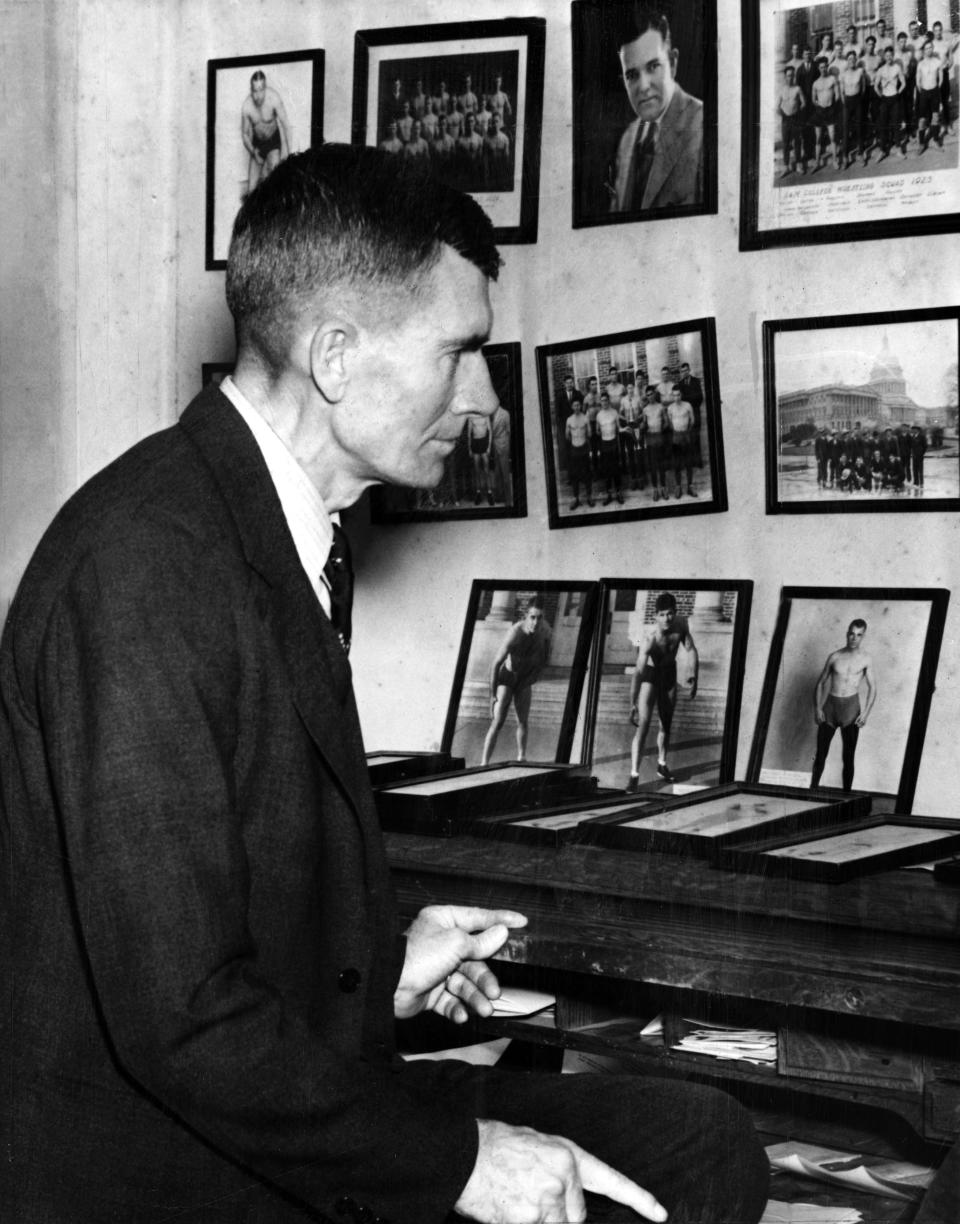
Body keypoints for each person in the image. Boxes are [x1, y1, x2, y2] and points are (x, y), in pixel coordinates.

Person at [0, 143, 769, 1224]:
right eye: (461, 352)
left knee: (695, 1143)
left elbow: (217, 917)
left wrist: (384, 964)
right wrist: (461, 1164)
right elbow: (178, 1021)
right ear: (337, 357)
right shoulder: (142, 569)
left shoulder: (277, 531)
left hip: (238, 1096)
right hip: (160, 1169)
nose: (489, 396)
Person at [609, 10, 704, 213]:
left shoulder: (703, 126)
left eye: (653, 67)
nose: (643, 86)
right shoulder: (627, 140)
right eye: (632, 75)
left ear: (673, 62)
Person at [626, 593, 698, 792]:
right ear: (656, 616)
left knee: (666, 724)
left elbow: (691, 650)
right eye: (662, 615)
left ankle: (662, 764)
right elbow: (639, 671)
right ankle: (634, 774)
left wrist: (695, 678)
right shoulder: (650, 638)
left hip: (668, 674)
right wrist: (632, 702)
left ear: (675, 613)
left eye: (670, 614)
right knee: (644, 725)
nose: (666, 619)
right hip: (651, 675)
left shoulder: (681, 626)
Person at [481, 595, 552, 765]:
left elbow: (545, 657)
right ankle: (484, 763)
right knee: (497, 722)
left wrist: (534, 676)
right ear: (526, 616)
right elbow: (496, 663)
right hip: (507, 677)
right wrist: (492, 695)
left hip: (525, 678)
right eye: (532, 617)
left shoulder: (545, 631)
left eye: (540, 618)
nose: (536, 622)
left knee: (523, 721)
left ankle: (522, 757)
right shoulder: (515, 632)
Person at [810, 618, 877, 791]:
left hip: (851, 709)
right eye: (852, 634)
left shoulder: (866, 659)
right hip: (831, 707)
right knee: (821, 754)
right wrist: (817, 708)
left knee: (848, 756)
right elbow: (820, 683)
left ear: (863, 637)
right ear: (847, 633)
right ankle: (812, 791)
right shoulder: (835, 656)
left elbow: (873, 688)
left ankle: (846, 795)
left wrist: (866, 714)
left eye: (859, 635)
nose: (854, 638)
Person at [241, 70, 290, 196]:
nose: (258, 95)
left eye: (261, 89)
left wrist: (287, 152)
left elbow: (286, 126)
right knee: (251, 190)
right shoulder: (247, 106)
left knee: (273, 183)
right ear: (251, 90)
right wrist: (253, 151)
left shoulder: (274, 99)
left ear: (265, 87)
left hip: (273, 142)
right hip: (257, 145)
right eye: (255, 91)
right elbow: (245, 134)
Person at [874, 45, 907, 159]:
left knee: (896, 124)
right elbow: (875, 86)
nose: (888, 57)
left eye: (890, 55)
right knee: (883, 125)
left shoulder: (897, 67)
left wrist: (898, 92)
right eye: (886, 55)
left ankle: (898, 149)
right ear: (884, 57)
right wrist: (881, 95)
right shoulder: (881, 69)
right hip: (885, 99)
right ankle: (883, 150)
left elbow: (903, 83)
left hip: (895, 98)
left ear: (893, 56)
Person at [811, 56, 842, 168]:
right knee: (818, 137)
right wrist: (818, 104)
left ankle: (835, 160)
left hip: (830, 110)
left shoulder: (832, 79)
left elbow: (837, 95)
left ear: (827, 67)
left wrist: (832, 104)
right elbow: (813, 99)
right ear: (818, 68)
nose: (823, 69)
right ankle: (817, 161)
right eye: (821, 67)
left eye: (825, 67)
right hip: (820, 111)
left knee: (832, 136)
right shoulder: (815, 83)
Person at [667, 383, 697, 498]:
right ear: (672, 396)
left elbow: (693, 421)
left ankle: (690, 486)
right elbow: (670, 424)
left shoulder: (687, 405)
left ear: (681, 394)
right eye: (674, 395)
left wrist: (687, 432)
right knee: (677, 464)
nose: (677, 397)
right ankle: (678, 487)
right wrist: (677, 432)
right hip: (676, 438)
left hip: (686, 436)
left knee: (689, 463)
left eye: (678, 395)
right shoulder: (670, 408)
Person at [596, 390, 625, 505]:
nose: (604, 402)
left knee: (616, 470)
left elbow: (619, 428)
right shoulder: (598, 415)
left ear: (609, 401)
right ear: (600, 402)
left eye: (606, 400)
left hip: (614, 443)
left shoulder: (614, 412)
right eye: (602, 401)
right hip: (604, 444)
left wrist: (625, 429)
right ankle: (608, 495)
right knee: (607, 471)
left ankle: (618, 493)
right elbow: (598, 431)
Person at [565, 398, 595, 510]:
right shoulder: (569, 420)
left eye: (578, 405)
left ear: (581, 406)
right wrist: (575, 440)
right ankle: (576, 498)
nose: (576, 407)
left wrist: (583, 437)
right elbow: (567, 436)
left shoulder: (585, 418)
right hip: (574, 450)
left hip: (584, 449)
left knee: (587, 474)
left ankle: (589, 497)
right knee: (574, 476)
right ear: (572, 407)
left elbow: (590, 434)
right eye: (574, 405)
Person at [642, 383, 670, 500]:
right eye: (648, 395)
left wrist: (660, 430)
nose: (650, 396)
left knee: (661, 465)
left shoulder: (661, 407)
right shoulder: (645, 409)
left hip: (660, 437)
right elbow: (644, 424)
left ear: (654, 394)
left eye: (651, 394)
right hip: (650, 439)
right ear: (646, 397)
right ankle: (655, 489)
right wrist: (643, 427)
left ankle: (663, 488)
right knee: (653, 466)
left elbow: (667, 422)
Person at [839, 50, 867, 166]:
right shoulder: (843, 74)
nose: (851, 61)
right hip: (847, 102)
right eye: (849, 59)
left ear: (856, 60)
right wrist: (845, 103)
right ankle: (845, 156)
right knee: (846, 129)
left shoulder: (860, 71)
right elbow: (841, 92)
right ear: (847, 61)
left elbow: (864, 87)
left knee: (859, 127)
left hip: (857, 101)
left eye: (853, 59)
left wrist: (859, 99)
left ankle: (860, 154)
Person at [916, 40, 944, 151]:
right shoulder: (920, 64)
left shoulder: (937, 62)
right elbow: (917, 81)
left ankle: (936, 140)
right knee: (922, 120)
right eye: (926, 48)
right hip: (924, 92)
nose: (928, 50)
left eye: (930, 47)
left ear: (933, 48)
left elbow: (941, 78)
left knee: (935, 118)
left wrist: (937, 89)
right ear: (924, 50)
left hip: (934, 92)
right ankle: (921, 143)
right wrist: (923, 91)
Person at [778, 65, 806, 175]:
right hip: (786, 120)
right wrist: (784, 115)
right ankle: (786, 167)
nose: (790, 78)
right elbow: (776, 107)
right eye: (788, 76)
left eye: (792, 75)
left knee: (797, 142)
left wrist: (798, 111)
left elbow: (804, 102)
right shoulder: (782, 90)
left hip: (796, 118)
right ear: (785, 77)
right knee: (786, 143)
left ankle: (799, 164)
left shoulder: (797, 88)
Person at [489, 400, 512, 506]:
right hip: (495, 445)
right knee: (497, 473)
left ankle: (508, 500)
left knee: (505, 473)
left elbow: (508, 431)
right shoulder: (491, 415)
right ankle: (499, 496)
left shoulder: (505, 414)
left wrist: (507, 446)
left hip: (503, 445)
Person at [467, 412, 494, 504]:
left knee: (486, 470)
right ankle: (478, 494)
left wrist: (489, 446)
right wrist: (469, 448)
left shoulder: (486, 415)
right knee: (477, 470)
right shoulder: (471, 416)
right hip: (475, 443)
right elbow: (468, 434)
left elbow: (490, 431)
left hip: (484, 442)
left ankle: (489, 493)